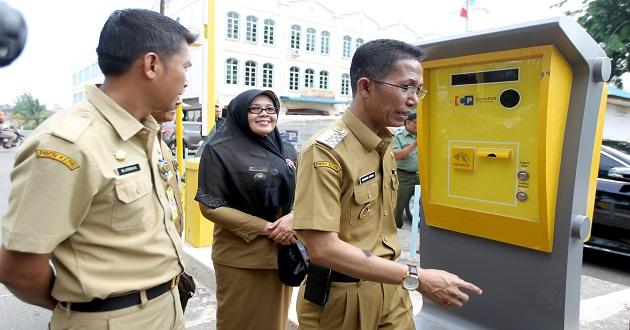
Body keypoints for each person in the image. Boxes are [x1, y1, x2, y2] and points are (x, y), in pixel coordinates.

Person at [0, 9, 196, 330]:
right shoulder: (70, 143)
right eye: (184, 67)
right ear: (151, 65)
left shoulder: (146, 133)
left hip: (167, 308)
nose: (187, 80)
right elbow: (19, 269)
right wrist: (81, 310)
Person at [293, 39, 483, 329]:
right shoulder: (325, 150)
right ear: (366, 87)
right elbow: (323, 249)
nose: (414, 99)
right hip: (343, 300)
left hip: (392, 289)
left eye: (418, 90)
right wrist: (417, 277)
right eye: (405, 87)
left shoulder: (384, 144)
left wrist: (405, 279)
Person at [195, 89, 298, 329]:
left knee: (274, 322)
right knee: (238, 322)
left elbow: (303, 192)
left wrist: (293, 218)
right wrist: (267, 228)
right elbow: (210, 205)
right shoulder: (220, 150)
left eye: (270, 109)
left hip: (282, 254)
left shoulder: (287, 150)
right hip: (241, 258)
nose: (264, 114)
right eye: (255, 108)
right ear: (241, 112)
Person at [393, 112, 419, 228]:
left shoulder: (423, 134)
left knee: (424, 205)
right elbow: (397, 156)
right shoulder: (399, 137)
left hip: (421, 175)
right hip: (404, 176)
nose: (418, 125)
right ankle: (396, 231)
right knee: (398, 206)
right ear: (407, 122)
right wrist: (414, 144)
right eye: (416, 122)